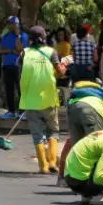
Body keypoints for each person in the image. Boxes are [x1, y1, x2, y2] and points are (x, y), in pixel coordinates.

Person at [19, 26, 67, 174]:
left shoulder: (24, 53)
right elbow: (60, 72)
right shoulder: (51, 52)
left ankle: (43, 166)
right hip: (48, 99)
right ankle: (52, 162)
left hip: (30, 100)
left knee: (37, 134)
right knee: (53, 131)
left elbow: (22, 72)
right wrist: (64, 66)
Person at [0, 16, 28, 118]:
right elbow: (1, 50)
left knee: (21, 89)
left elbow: (20, 49)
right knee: (9, 90)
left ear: (15, 24)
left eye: (9, 24)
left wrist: (17, 36)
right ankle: (11, 111)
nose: (8, 26)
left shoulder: (23, 36)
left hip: (18, 66)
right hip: (7, 65)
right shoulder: (6, 36)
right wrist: (11, 50)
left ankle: (22, 111)